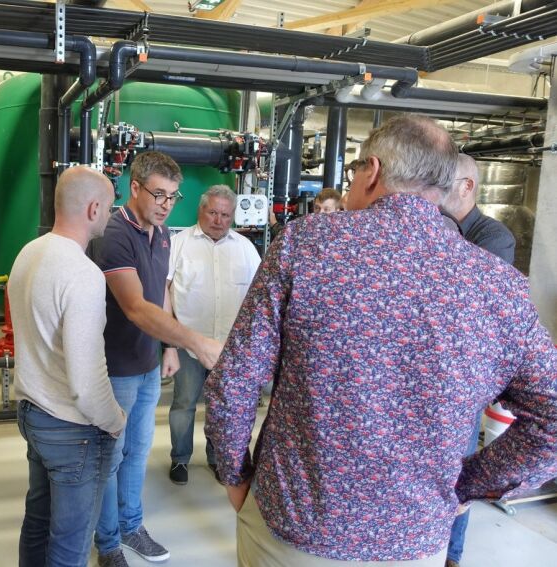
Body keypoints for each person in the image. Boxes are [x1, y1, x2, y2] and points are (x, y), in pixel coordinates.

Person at [204, 115, 557, 566]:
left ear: (371, 171)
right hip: (416, 537)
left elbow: (234, 380)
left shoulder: (306, 244)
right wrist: (471, 482)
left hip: (294, 525)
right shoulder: (498, 284)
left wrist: (235, 475)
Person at [92, 151, 223, 567]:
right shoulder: (115, 235)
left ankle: (132, 525)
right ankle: (108, 541)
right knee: (110, 458)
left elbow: (160, 294)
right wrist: (194, 343)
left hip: (148, 363)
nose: (166, 204)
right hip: (117, 368)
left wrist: (168, 346)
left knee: (138, 451)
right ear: (135, 188)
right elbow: (134, 307)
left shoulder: (162, 234)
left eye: (173, 196)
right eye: (158, 194)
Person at [9, 166, 126, 567]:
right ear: (94, 208)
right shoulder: (83, 274)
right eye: (110, 207)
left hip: (32, 413)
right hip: (71, 429)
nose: (110, 216)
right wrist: (114, 419)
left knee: (38, 521)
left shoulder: (29, 252)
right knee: (71, 543)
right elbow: (85, 378)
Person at [441, 153, 516, 567]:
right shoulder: (437, 226)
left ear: (467, 186)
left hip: (463, 382)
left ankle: (451, 557)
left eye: (442, 181)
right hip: (430, 372)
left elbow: (465, 303)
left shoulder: (493, 237)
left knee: (458, 474)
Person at [167, 185, 260, 486]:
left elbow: (258, 295)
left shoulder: (245, 248)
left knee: (222, 407)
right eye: (213, 213)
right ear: (200, 211)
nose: (219, 220)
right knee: (184, 403)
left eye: (225, 214)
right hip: (189, 342)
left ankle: (217, 458)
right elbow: (165, 291)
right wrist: (169, 340)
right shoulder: (179, 244)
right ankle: (179, 459)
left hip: (229, 347)